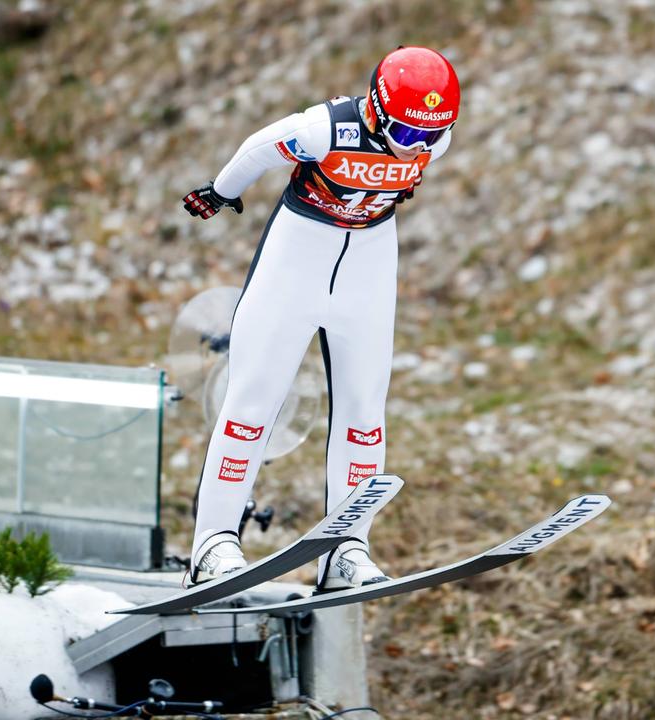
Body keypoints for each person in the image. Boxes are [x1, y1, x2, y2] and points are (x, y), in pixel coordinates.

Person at [180, 46, 459, 590]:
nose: (418, 149)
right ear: (375, 111)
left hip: (370, 263)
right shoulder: (324, 129)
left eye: (432, 137)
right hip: (298, 256)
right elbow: (258, 148)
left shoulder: (431, 136)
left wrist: (416, 139)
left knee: (365, 410)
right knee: (254, 400)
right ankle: (212, 543)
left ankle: (346, 549)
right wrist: (221, 193)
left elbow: (420, 142)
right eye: (406, 136)